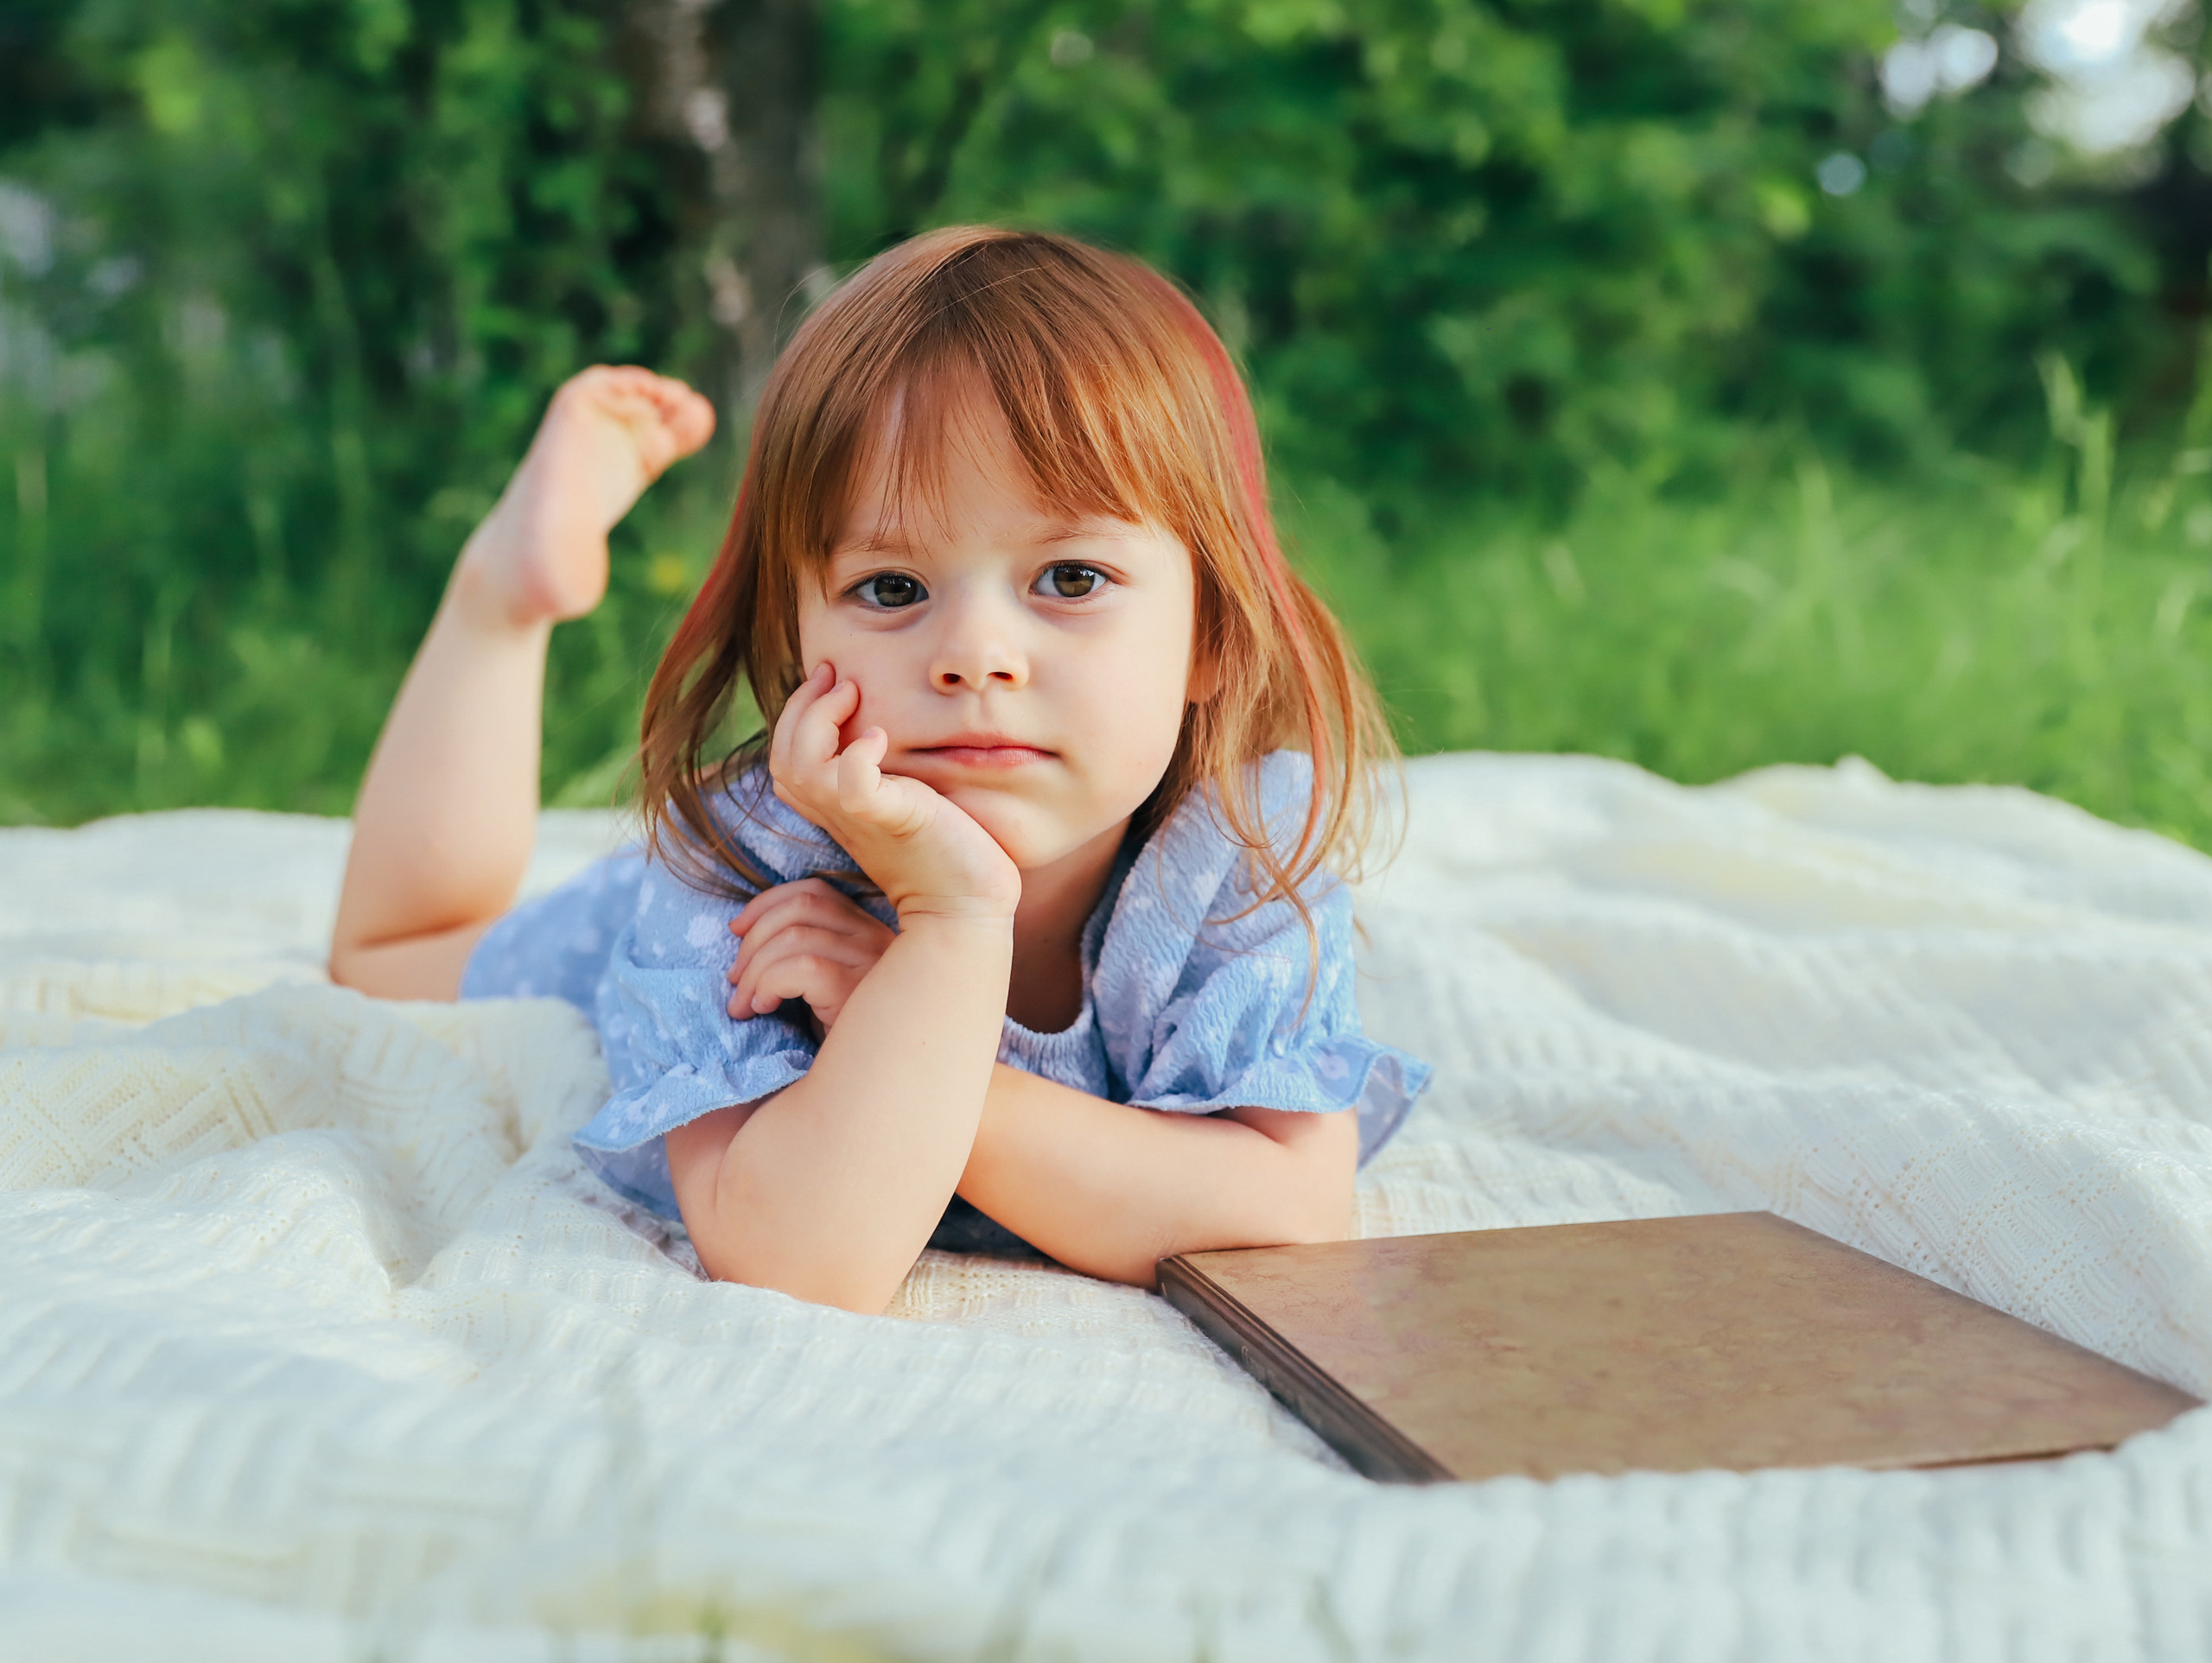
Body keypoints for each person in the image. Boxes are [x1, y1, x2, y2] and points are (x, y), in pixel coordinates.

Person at [329, 225, 1430, 1314]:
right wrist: (951, 921)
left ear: (1212, 640)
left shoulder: (1231, 851)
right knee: (383, 960)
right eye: (893, 589)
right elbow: (797, 1257)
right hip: (639, 935)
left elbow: (1286, 1206)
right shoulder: (746, 867)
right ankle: (502, 598)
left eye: (1072, 576)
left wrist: (899, 1010)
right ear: (798, 633)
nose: (975, 655)